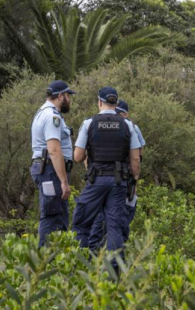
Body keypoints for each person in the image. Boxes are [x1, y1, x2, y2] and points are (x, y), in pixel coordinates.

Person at [71, 87, 141, 261]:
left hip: (96, 180)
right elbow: (135, 159)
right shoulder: (128, 124)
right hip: (119, 182)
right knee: (115, 227)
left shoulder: (89, 123)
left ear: (99, 102)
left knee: (82, 223)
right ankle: (114, 273)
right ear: (116, 104)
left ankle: (81, 266)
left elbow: (78, 157)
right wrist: (134, 180)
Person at [88, 100, 145, 249]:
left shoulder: (131, 127)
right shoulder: (127, 127)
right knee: (106, 222)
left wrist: (134, 181)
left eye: (119, 113)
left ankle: (109, 257)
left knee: (119, 222)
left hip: (121, 180)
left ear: (126, 114)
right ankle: (105, 258)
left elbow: (138, 157)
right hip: (116, 180)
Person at [30, 80, 76, 247]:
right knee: (52, 216)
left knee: (58, 215)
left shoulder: (42, 113)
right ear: (60, 96)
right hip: (50, 170)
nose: (69, 99)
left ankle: (56, 262)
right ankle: (44, 264)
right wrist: (64, 181)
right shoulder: (52, 116)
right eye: (68, 96)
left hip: (47, 169)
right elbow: (54, 150)